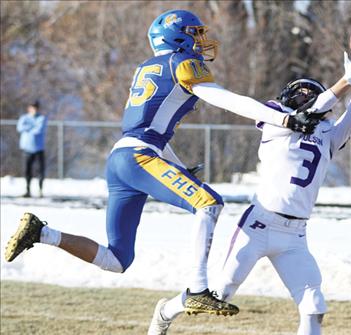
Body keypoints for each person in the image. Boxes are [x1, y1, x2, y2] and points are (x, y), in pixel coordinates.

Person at [4, 9, 323, 317]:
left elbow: (151, 133)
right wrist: (284, 119)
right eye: (194, 34)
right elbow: (224, 98)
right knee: (208, 203)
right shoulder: (181, 63)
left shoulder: (149, 66)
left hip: (123, 157)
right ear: (177, 38)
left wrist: (180, 168)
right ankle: (198, 290)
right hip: (138, 156)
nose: (200, 42)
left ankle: (42, 234)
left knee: (117, 259)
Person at [148, 43, 351, 335]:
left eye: (312, 91)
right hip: (259, 225)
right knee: (219, 294)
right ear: (288, 98)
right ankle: (165, 311)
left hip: (295, 235)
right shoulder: (276, 119)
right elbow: (314, 110)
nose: (306, 96)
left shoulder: (327, 136)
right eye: (301, 92)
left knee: (314, 305)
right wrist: (346, 81)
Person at [16, 101, 47, 198]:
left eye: (36, 108)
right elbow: (20, 128)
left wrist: (28, 128)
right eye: (33, 107)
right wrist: (32, 126)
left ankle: (40, 190)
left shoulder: (41, 118)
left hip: (38, 148)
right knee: (27, 170)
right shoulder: (24, 118)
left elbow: (39, 130)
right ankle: (27, 190)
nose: (34, 110)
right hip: (27, 148)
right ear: (29, 108)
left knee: (40, 170)